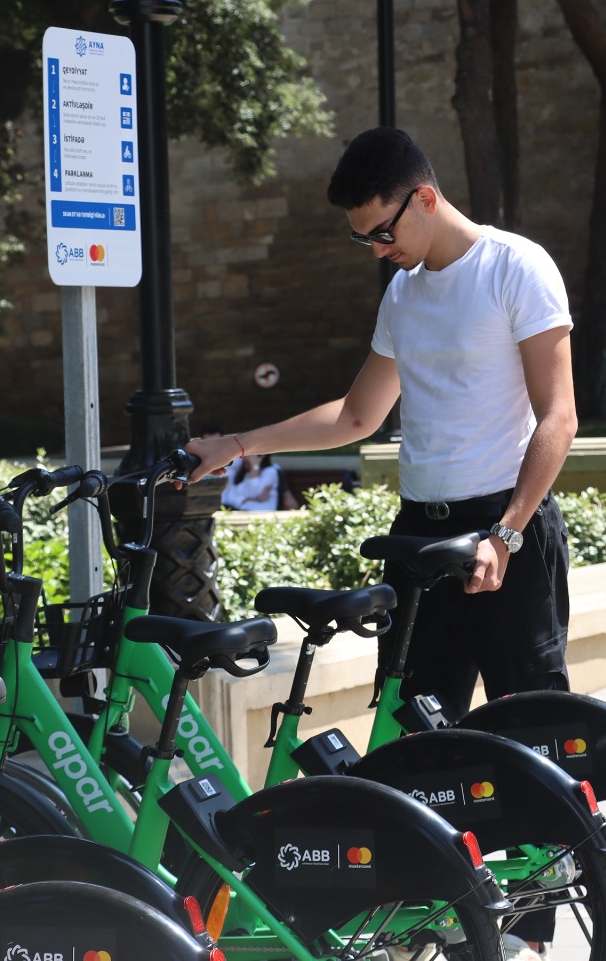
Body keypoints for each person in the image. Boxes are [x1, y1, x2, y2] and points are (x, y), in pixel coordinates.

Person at [183, 126, 578, 723]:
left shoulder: (516, 266)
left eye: (382, 233)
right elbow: (356, 415)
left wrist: (506, 534)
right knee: (412, 738)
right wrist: (237, 445)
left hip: (506, 529)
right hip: (419, 537)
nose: (374, 250)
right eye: (362, 237)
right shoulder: (402, 294)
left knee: (535, 731)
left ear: (425, 198)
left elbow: (559, 415)